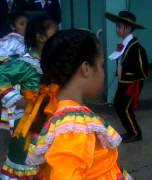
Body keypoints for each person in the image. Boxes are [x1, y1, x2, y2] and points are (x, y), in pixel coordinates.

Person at [13, 29, 132, 179]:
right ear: (86, 68)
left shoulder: (58, 111)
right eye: (101, 65)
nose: (103, 73)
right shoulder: (73, 126)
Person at [0, 15, 58, 179]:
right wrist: (16, 99)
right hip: (27, 125)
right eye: (55, 34)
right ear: (40, 37)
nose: (58, 38)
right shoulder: (26, 63)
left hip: (47, 122)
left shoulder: (51, 61)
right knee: (25, 162)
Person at [105, 11, 148, 143]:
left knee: (124, 107)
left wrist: (133, 79)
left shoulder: (137, 47)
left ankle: (135, 132)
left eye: (119, 26)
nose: (117, 29)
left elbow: (143, 70)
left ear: (128, 28)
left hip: (131, 82)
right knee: (118, 104)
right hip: (123, 81)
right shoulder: (125, 43)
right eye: (117, 26)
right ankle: (131, 131)